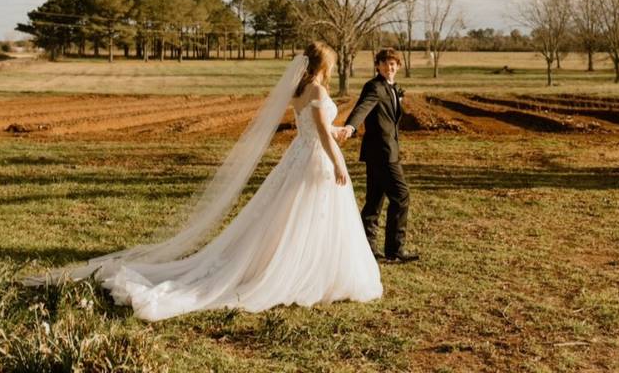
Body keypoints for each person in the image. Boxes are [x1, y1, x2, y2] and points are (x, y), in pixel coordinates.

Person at [29, 42, 382, 321]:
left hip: (299, 157)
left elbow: (313, 128)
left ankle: (306, 269)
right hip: (315, 160)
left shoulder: (301, 93)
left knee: (289, 217)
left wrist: (339, 131)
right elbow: (319, 133)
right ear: (324, 64)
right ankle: (310, 274)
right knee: (308, 217)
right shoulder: (318, 93)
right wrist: (338, 163)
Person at [337, 48, 418, 263]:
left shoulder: (392, 88)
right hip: (382, 152)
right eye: (384, 64)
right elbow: (362, 108)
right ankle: (395, 249)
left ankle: (367, 248)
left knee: (374, 201)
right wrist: (350, 128)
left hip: (382, 151)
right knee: (401, 196)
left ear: (398, 67)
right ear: (378, 66)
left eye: (393, 64)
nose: (389, 67)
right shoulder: (374, 87)